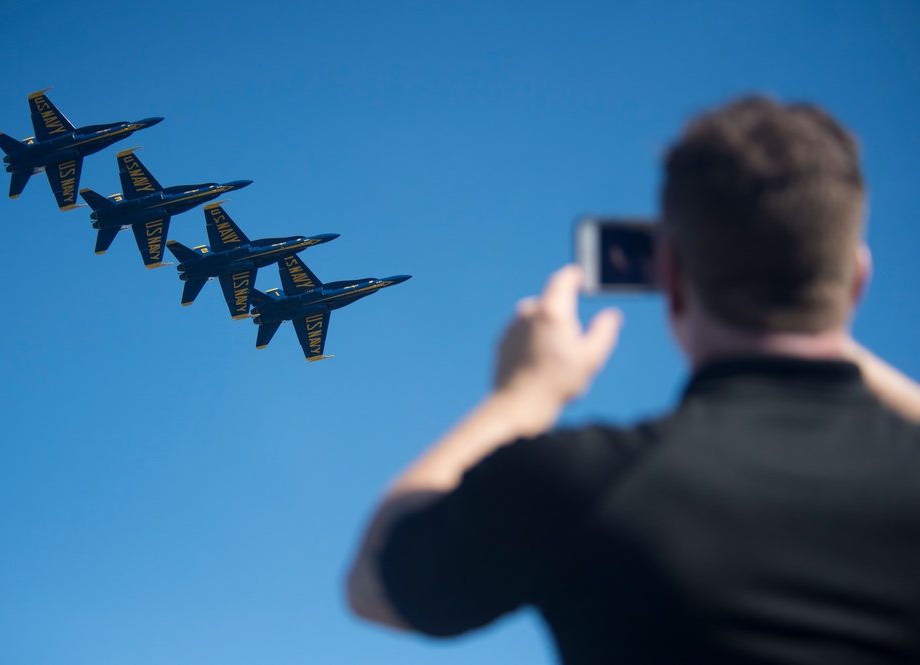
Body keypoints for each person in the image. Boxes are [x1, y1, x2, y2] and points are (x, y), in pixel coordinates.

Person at [345, 97, 920, 663]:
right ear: (857, 281)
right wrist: (815, 314)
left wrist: (524, 396)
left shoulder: (587, 480)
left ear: (669, 275)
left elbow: (373, 582)